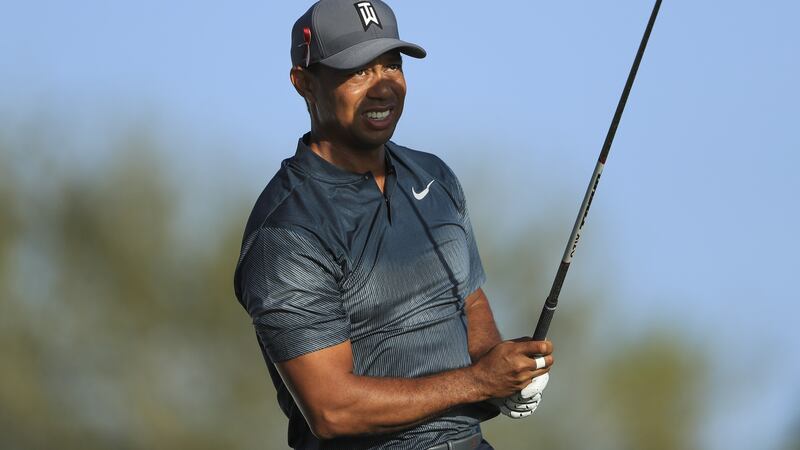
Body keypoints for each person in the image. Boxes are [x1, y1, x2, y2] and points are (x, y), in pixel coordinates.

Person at [233, 1, 554, 448]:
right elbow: (331, 409)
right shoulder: (288, 230)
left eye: (391, 66)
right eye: (358, 71)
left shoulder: (435, 178)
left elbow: (469, 299)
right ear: (303, 83)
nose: (382, 88)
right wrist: (479, 383)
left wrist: (503, 368)